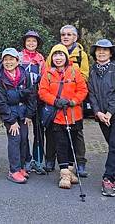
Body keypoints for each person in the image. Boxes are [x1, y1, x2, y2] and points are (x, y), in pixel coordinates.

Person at [87, 39, 115, 197]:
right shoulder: (93, 70)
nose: (101, 52)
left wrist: (109, 112)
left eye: (105, 50)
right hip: (102, 114)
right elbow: (91, 93)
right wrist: (98, 112)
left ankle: (108, 178)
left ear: (111, 53)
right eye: (99, 50)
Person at [38, 44, 88, 189]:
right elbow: (42, 92)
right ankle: (64, 173)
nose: (58, 58)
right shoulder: (47, 73)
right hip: (57, 115)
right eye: (55, 55)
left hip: (74, 114)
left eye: (61, 55)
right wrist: (55, 101)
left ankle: (70, 170)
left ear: (66, 57)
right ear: (51, 57)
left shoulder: (74, 72)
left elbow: (83, 90)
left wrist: (73, 101)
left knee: (73, 142)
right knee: (61, 143)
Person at [0, 48, 36, 184]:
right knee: (15, 139)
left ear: (18, 61)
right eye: (5, 59)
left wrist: (29, 114)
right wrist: (11, 121)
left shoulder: (26, 75)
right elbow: (1, 102)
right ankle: (14, 171)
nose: (8, 62)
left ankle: (22, 167)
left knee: (24, 139)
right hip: (10, 113)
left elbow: (31, 95)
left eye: (11, 59)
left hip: (23, 112)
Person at [52, 24, 89, 177]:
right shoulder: (55, 52)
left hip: (74, 100)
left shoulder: (81, 54)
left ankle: (79, 162)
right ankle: (58, 163)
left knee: (77, 134)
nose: (66, 37)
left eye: (69, 34)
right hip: (57, 103)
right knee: (57, 133)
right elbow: (49, 73)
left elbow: (84, 76)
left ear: (75, 37)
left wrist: (72, 95)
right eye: (63, 35)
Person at [18, 30, 46, 174]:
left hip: (38, 98)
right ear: (24, 42)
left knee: (38, 131)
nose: (31, 43)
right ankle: (26, 160)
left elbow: (45, 77)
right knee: (23, 133)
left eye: (34, 41)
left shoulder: (41, 59)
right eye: (28, 41)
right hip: (22, 98)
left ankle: (38, 160)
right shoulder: (18, 56)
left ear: (37, 43)